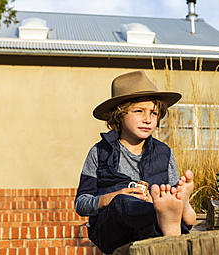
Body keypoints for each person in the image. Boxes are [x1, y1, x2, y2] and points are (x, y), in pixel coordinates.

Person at [74, 70, 196, 254]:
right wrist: (109, 198)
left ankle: (178, 213)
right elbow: (81, 204)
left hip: (149, 231)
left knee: (168, 204)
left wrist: (157, 200)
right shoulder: (100, 152)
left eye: (154, 113)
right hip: (111, 232)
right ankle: (166, 214)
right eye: (139, 111)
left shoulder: (165, 154)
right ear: (119, 115)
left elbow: (168, 197)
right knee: (122, 202)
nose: (148, 119)